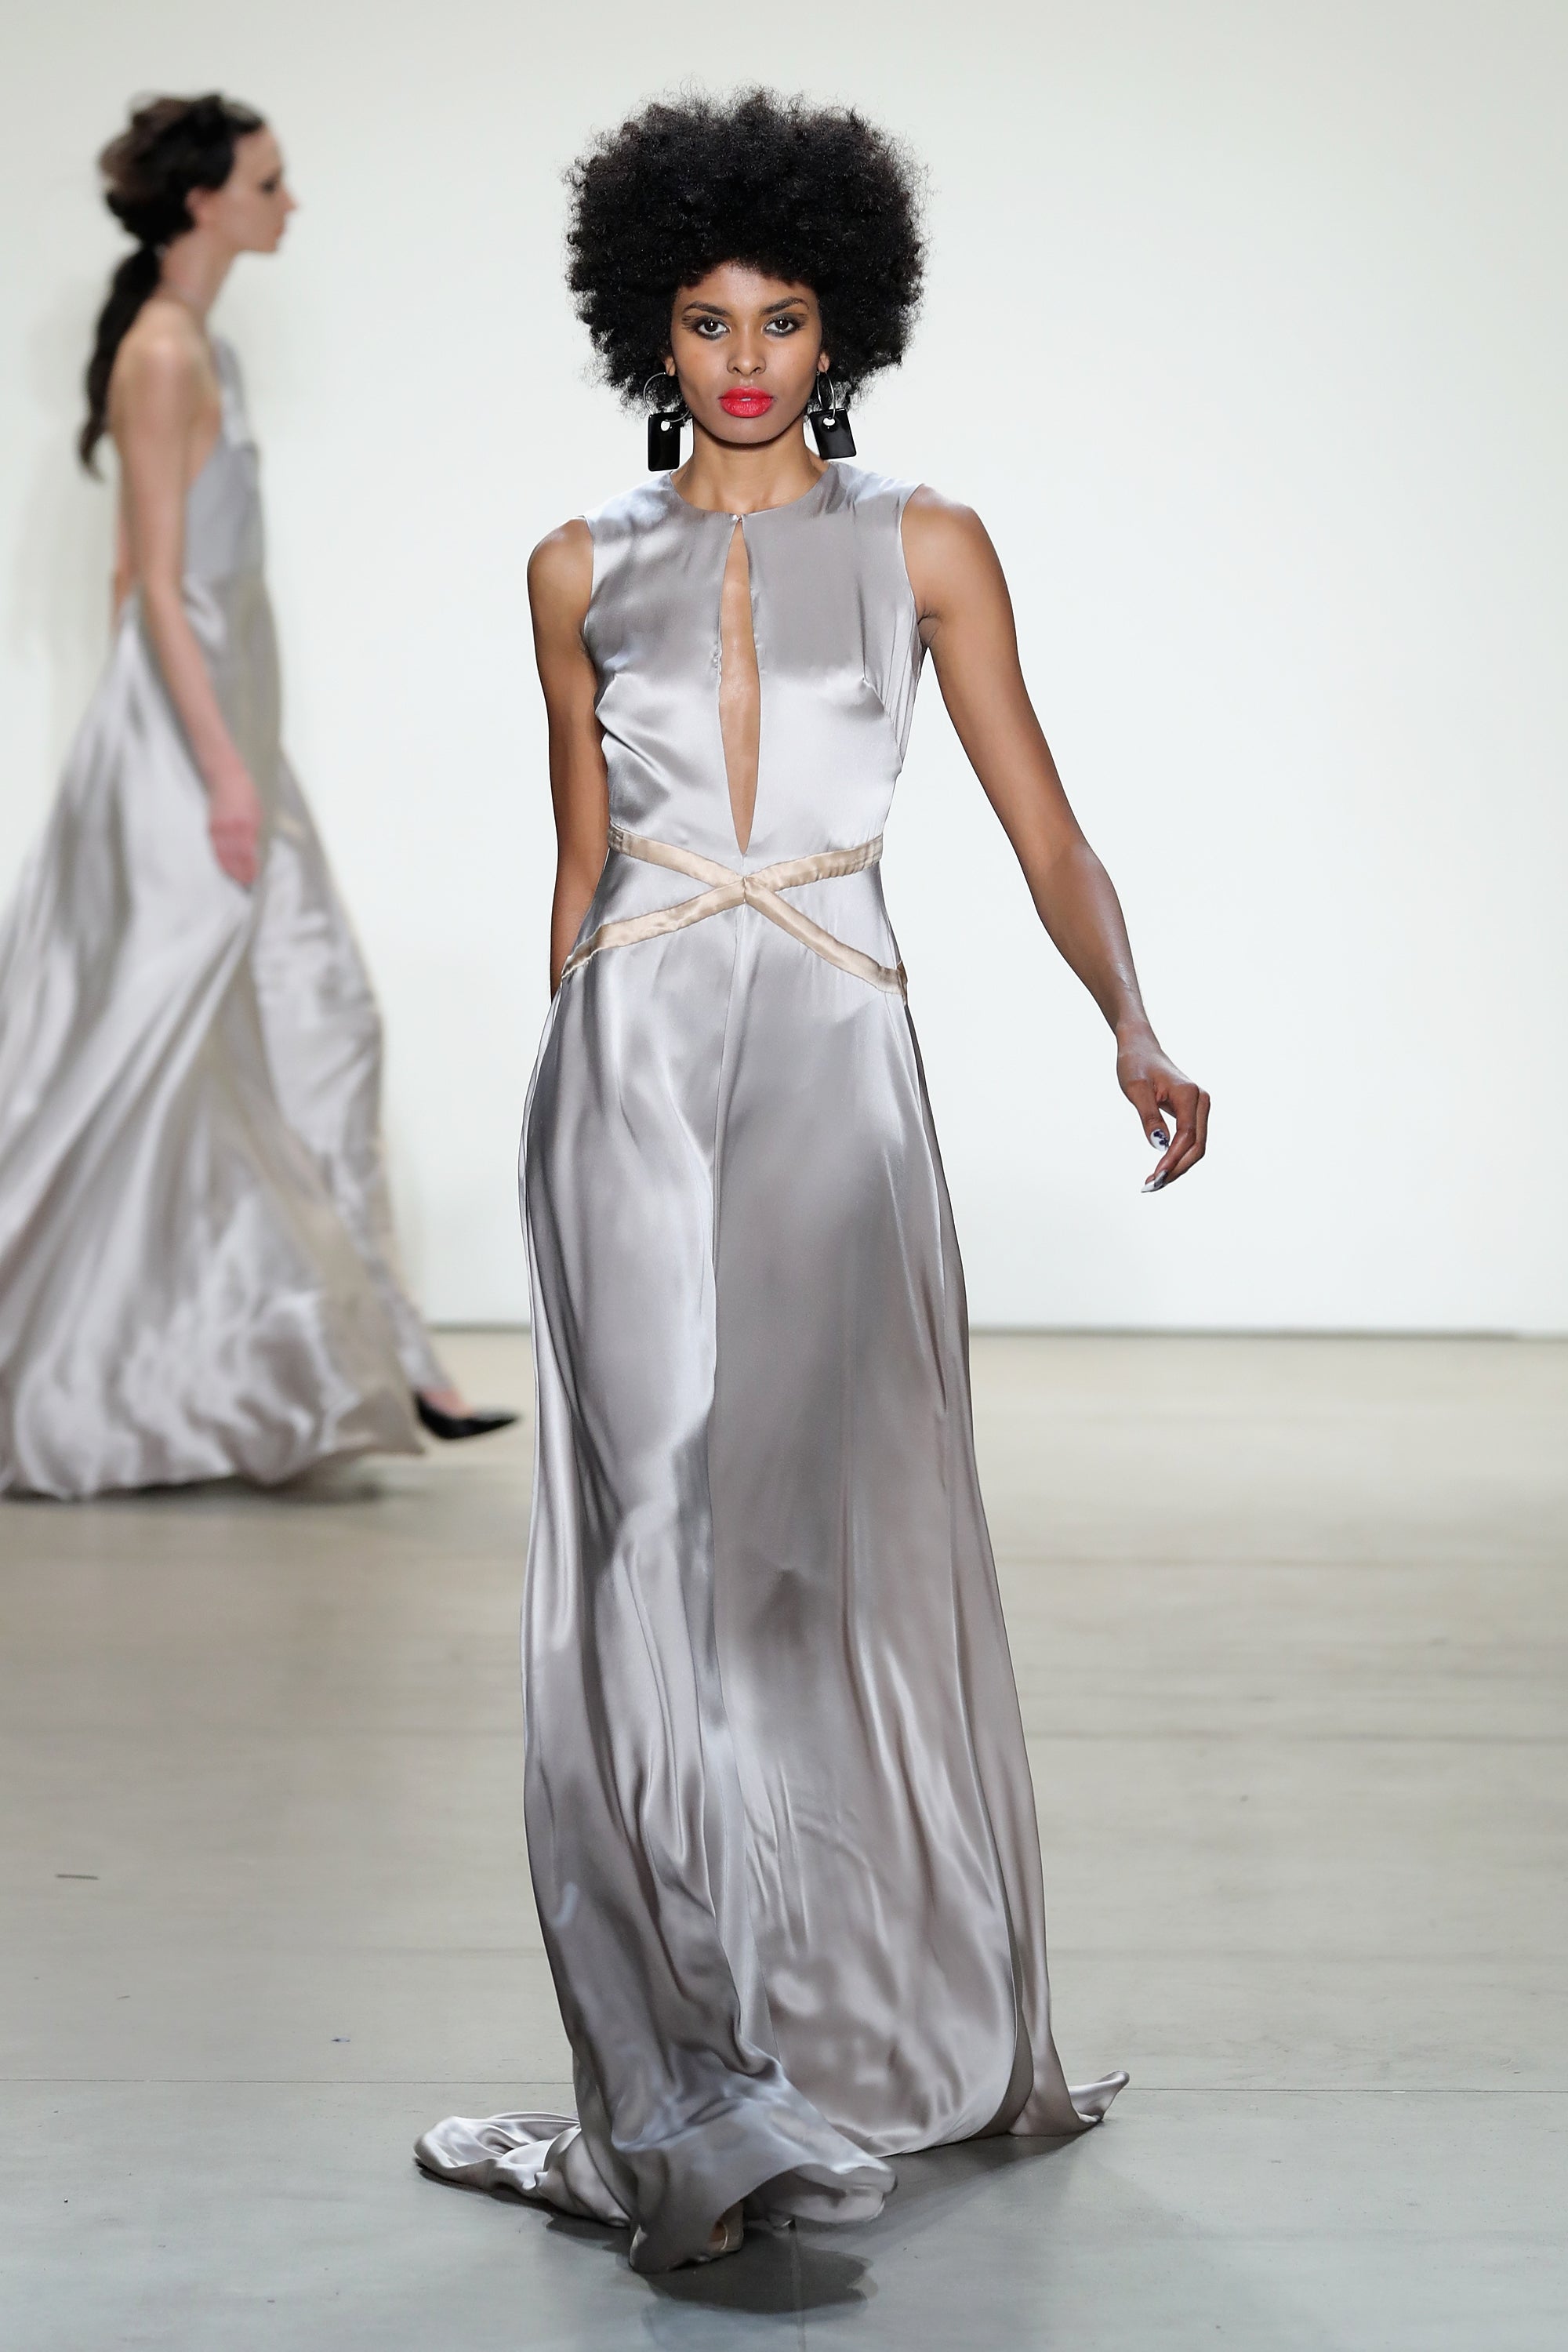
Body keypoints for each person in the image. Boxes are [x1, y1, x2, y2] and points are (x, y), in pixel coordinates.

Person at [417, 89, 1209, 2272]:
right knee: (640, 1550)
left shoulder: (930, 543)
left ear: (840, 322)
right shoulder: (575, 565)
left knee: (813, 1556)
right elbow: (580, 867)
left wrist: (1131, 1020)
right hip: (632, 1069)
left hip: (841, 1066)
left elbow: (1046, 825)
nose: (746, 358)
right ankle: (677, 2085)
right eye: (707, 320)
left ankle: (825, 2021)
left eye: (780, 319)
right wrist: (564, 1078)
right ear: (649, 329)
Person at [0, 94, 513, 1499]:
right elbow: (157, 589)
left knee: (260, 1036)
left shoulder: (193, 344)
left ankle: (348, 1356)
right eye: (270, 182)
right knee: (239, 1031)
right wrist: (219, 773)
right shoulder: (167, 352)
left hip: (212, 731)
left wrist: (230, 752)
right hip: (196, 745)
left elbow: (138, 578)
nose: (291, 203)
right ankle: (359, 1357)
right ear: (204, 200)